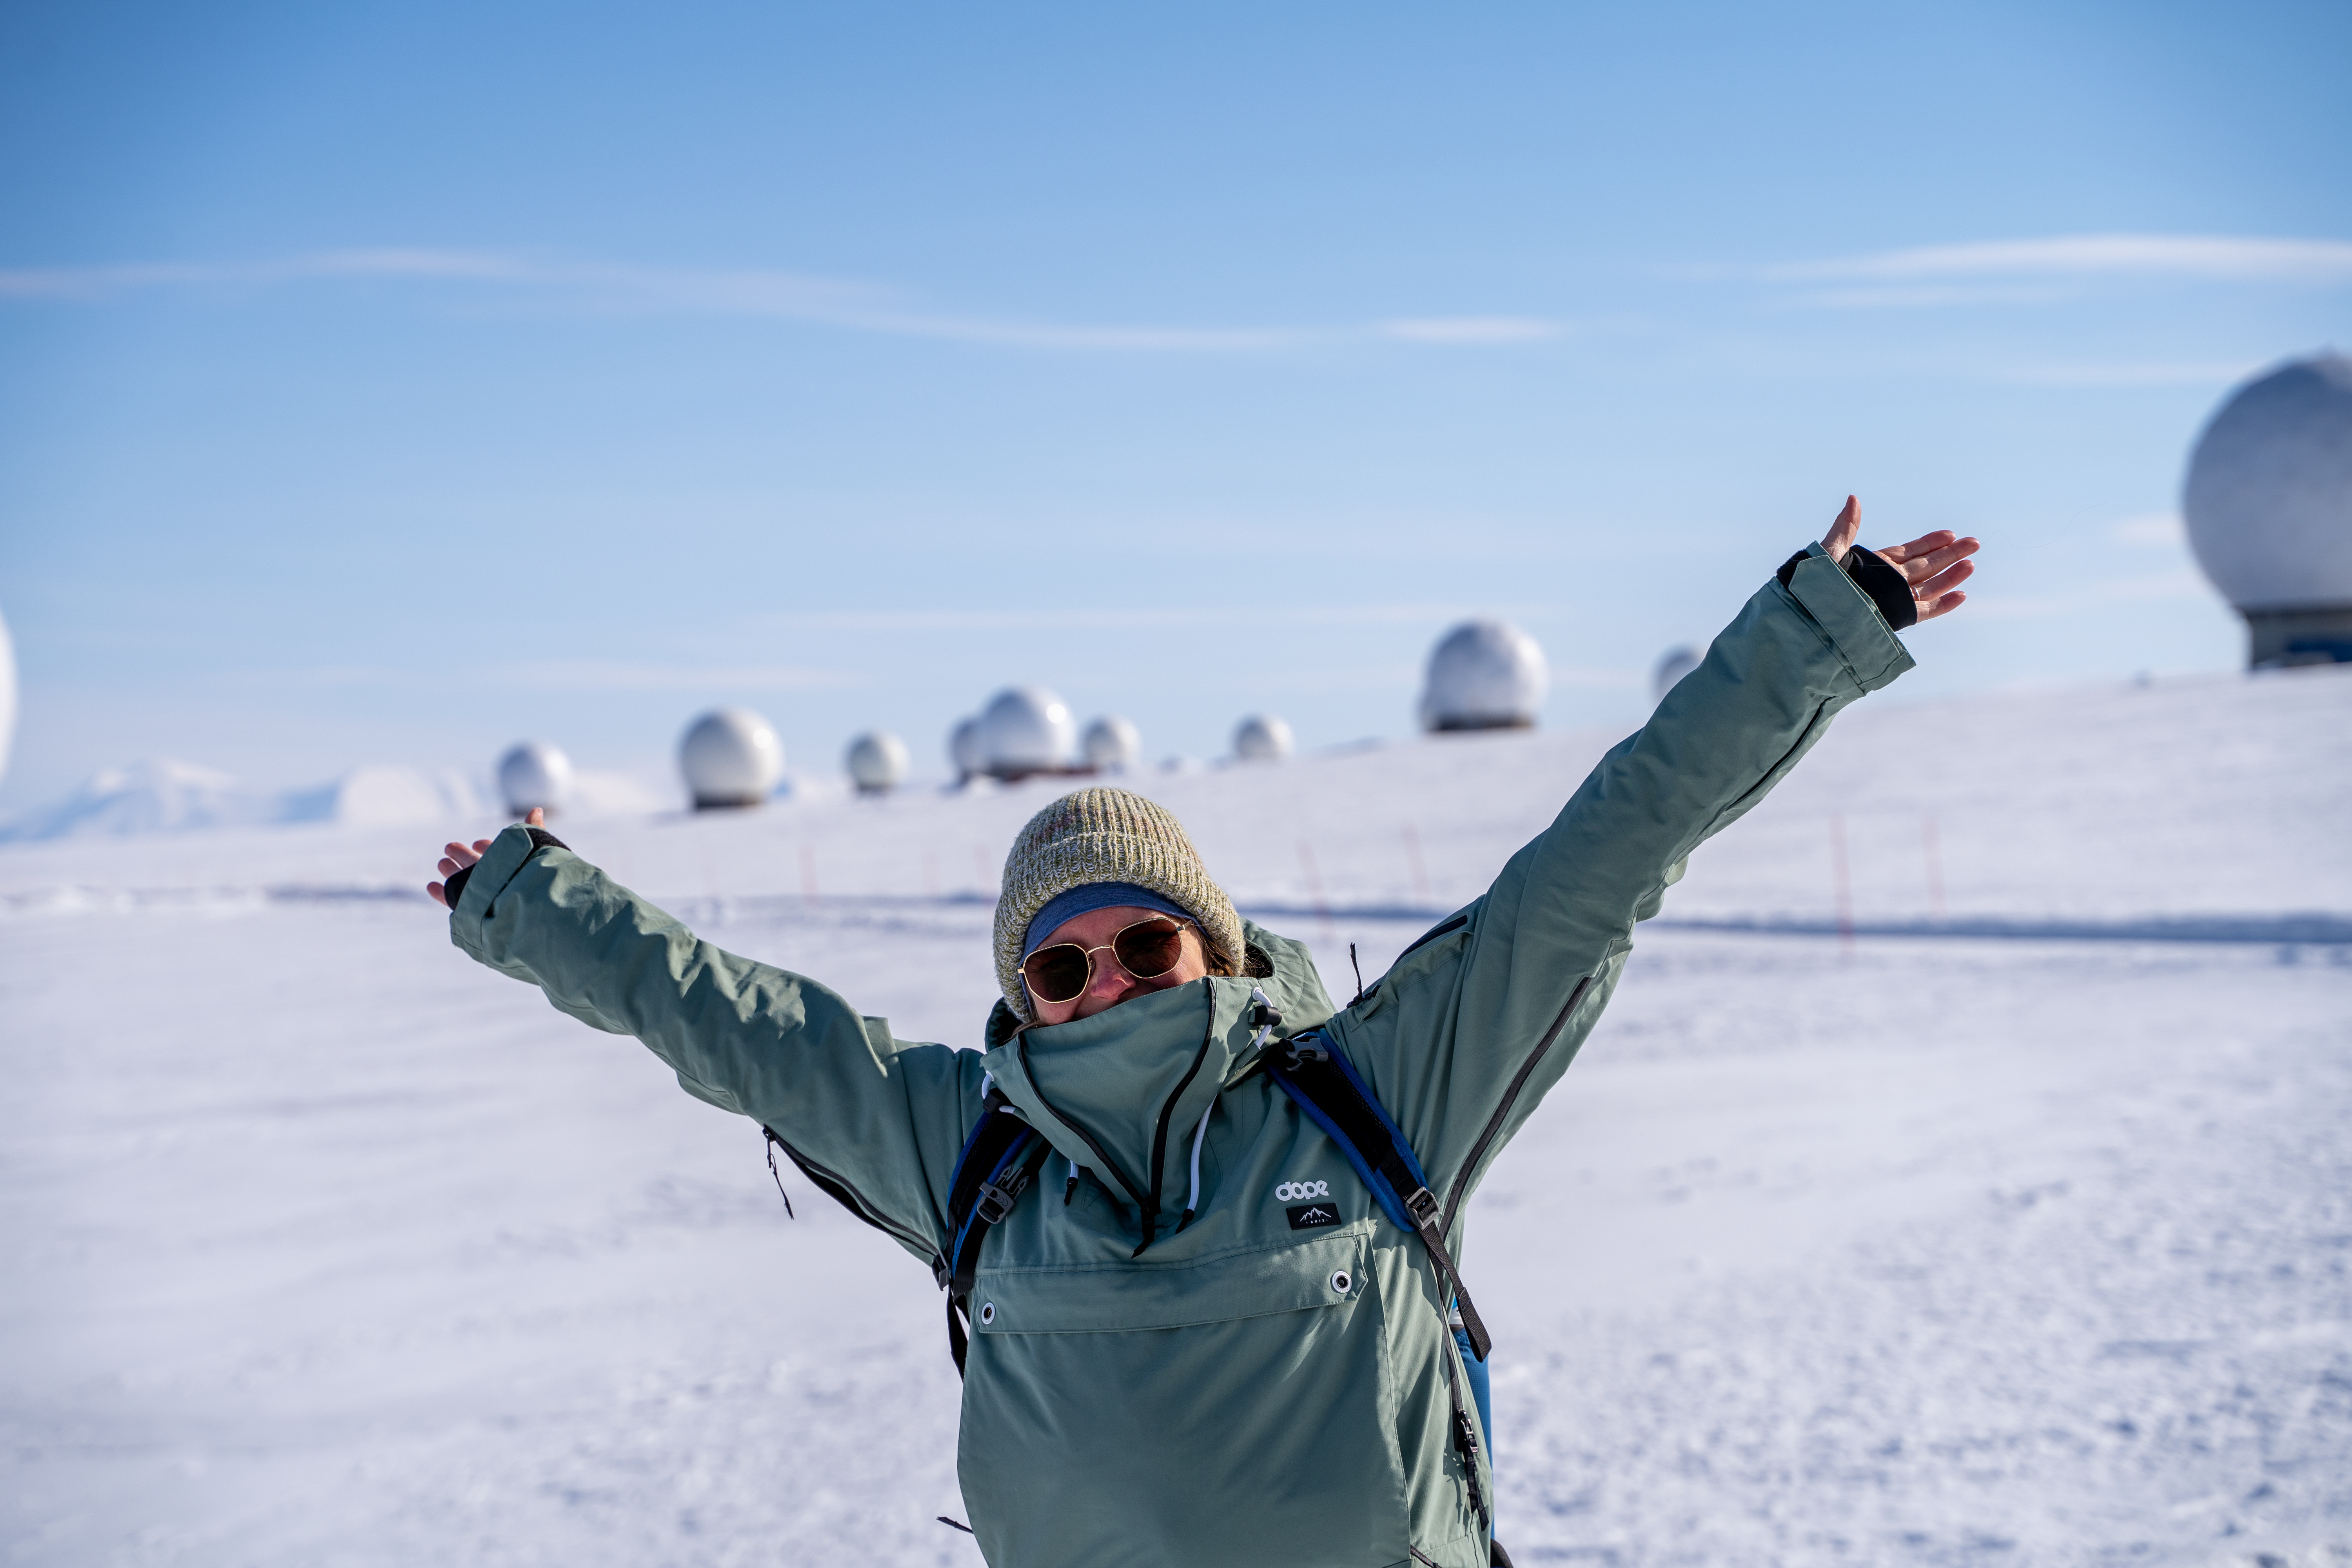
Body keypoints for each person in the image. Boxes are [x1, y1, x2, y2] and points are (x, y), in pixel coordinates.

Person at [427, 500, 1976, 1568]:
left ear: (1217, 948)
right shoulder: (962, 1138)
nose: (1106, 981)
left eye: (1144, 940)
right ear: (1019, 997)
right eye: (1061, 965)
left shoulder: (1373, 1097)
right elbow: (733, 1024)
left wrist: (1807, 641)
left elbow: (1597, 867)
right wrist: (530, 898)